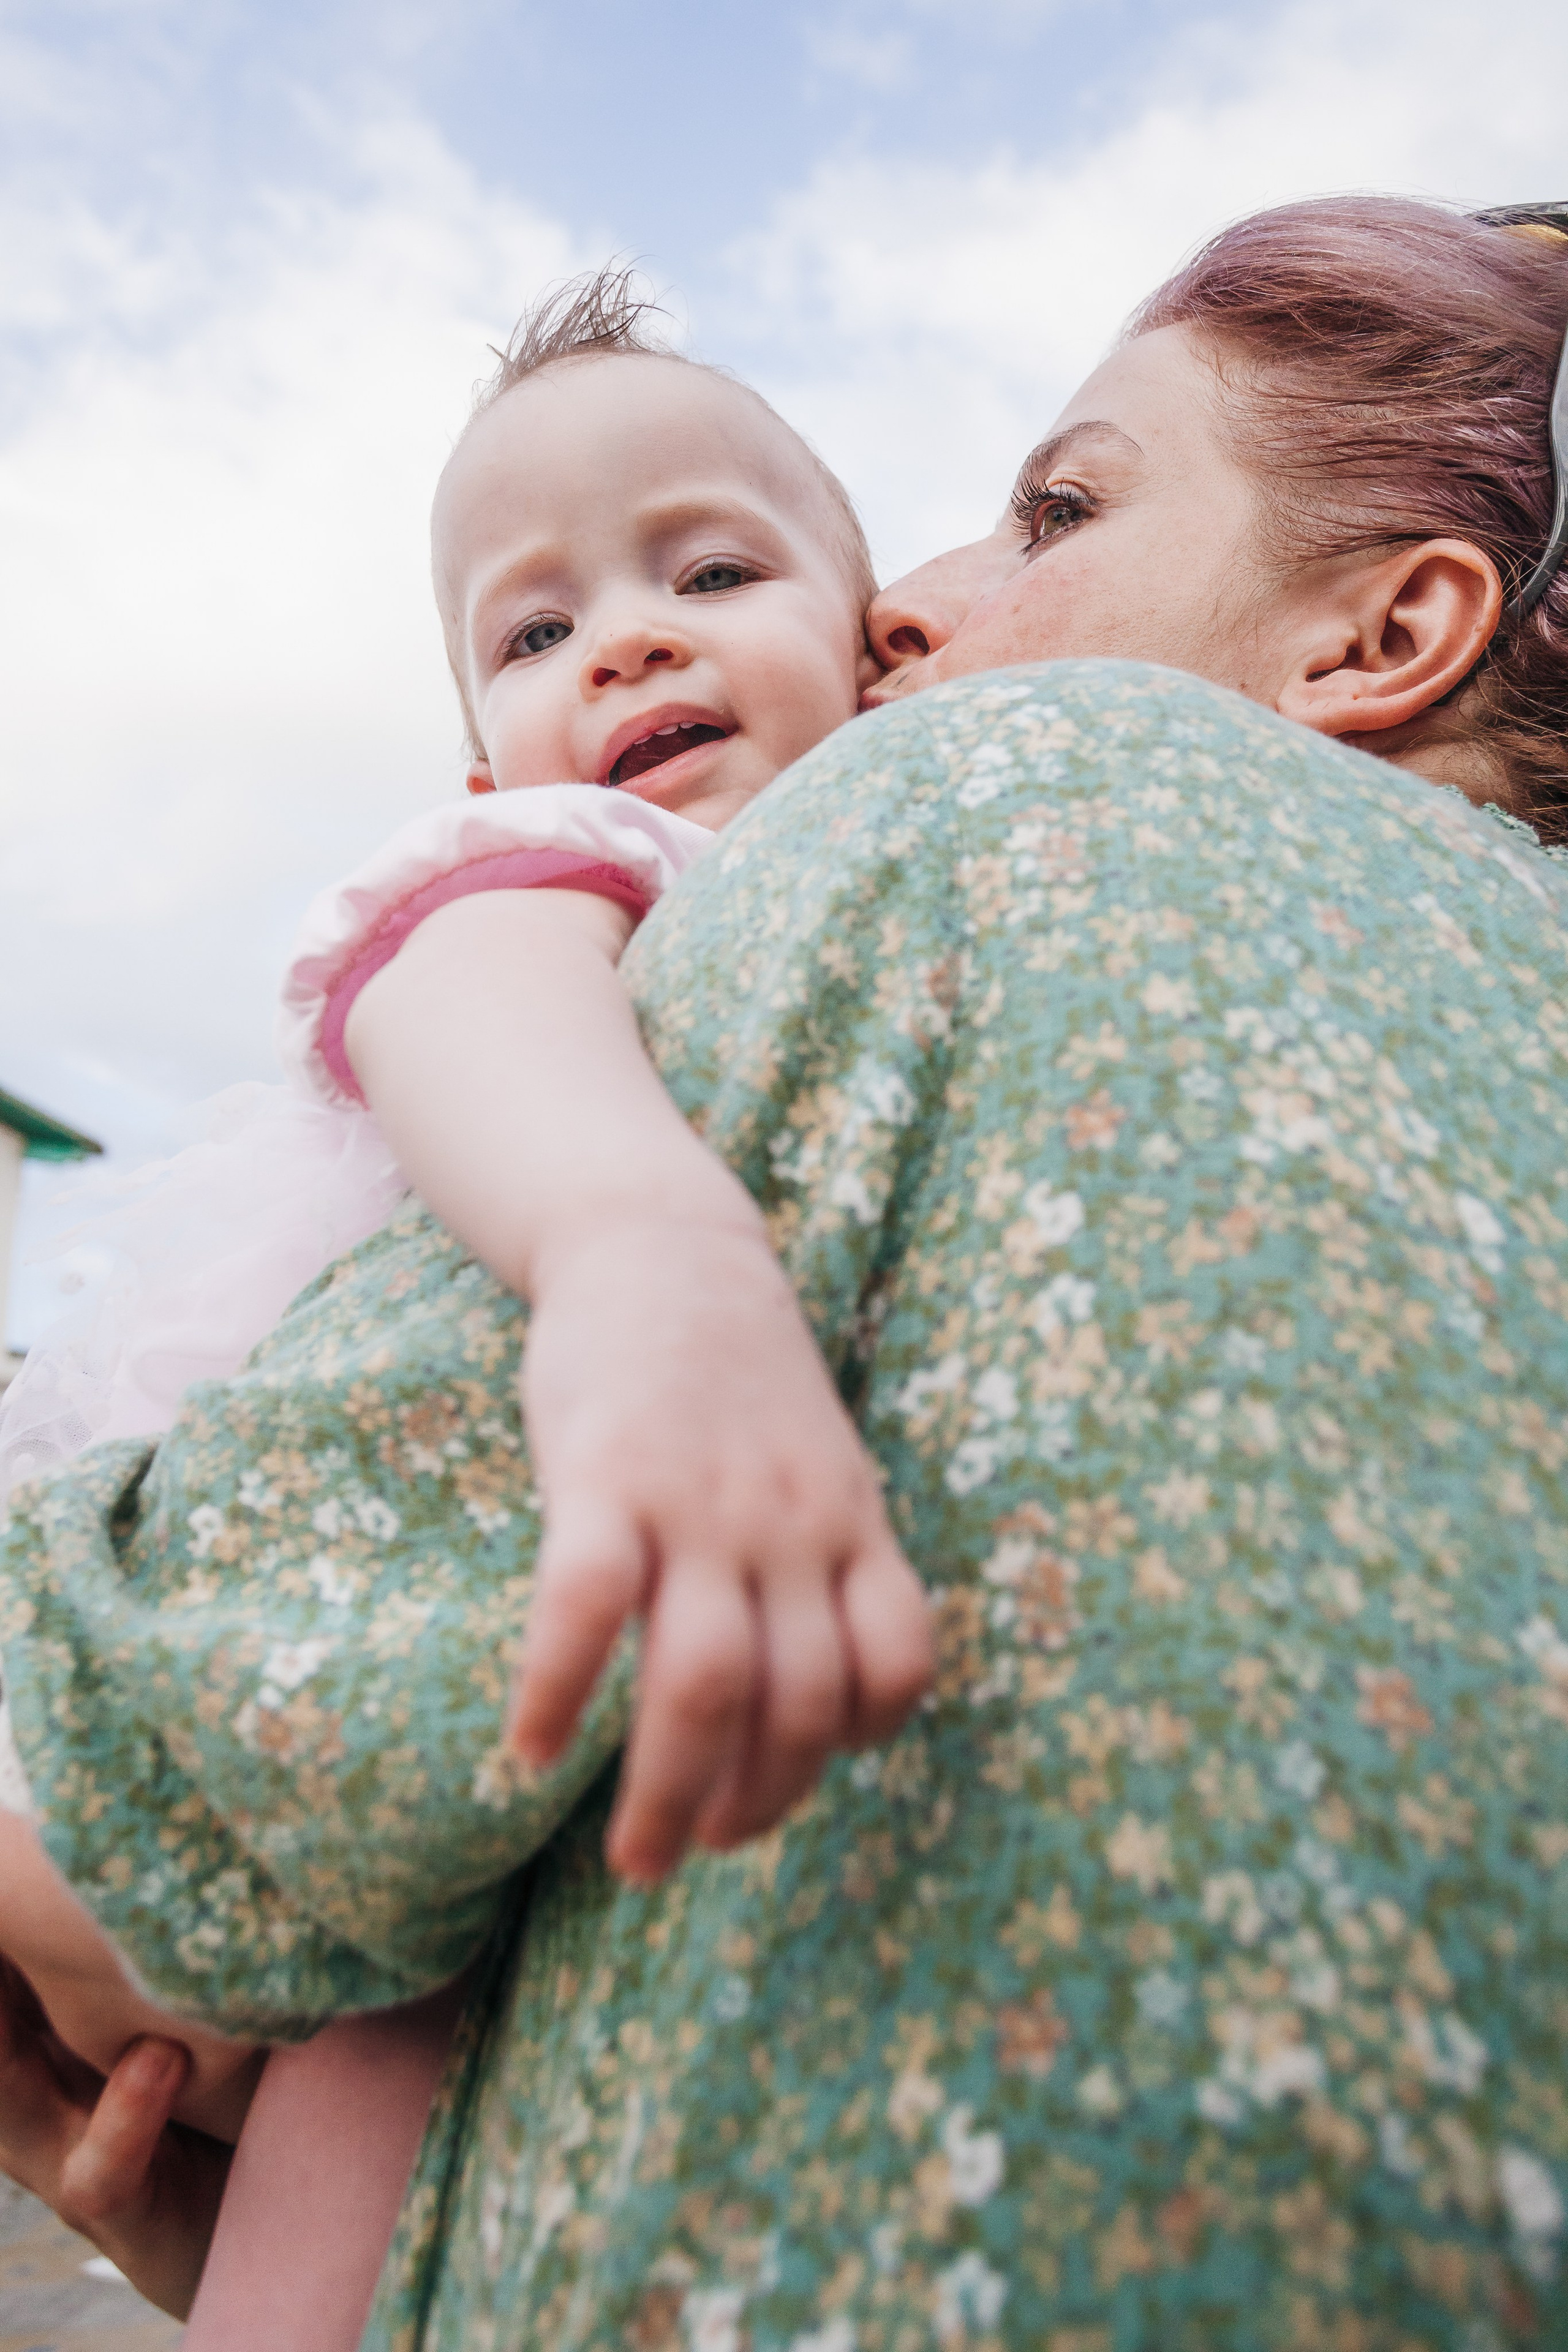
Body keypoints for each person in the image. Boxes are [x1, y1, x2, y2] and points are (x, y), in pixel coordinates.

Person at [5, 190, 1568, 2350]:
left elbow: (183, 1800)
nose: (920, 622)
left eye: (1052, 509)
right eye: (532, 631)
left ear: (1386, 633)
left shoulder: (1014, 818)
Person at [0, 271, 932, 2341]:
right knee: (357, 2012)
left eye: (712, 564)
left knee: (392, 2099)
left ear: (881, 649)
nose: (627, 632)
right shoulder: (573, 861)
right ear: (480, 742)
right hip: (346, 1606)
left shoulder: (885, 864)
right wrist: (637, 1243)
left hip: (513, 1682)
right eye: (535, 629)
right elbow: (463, 988)